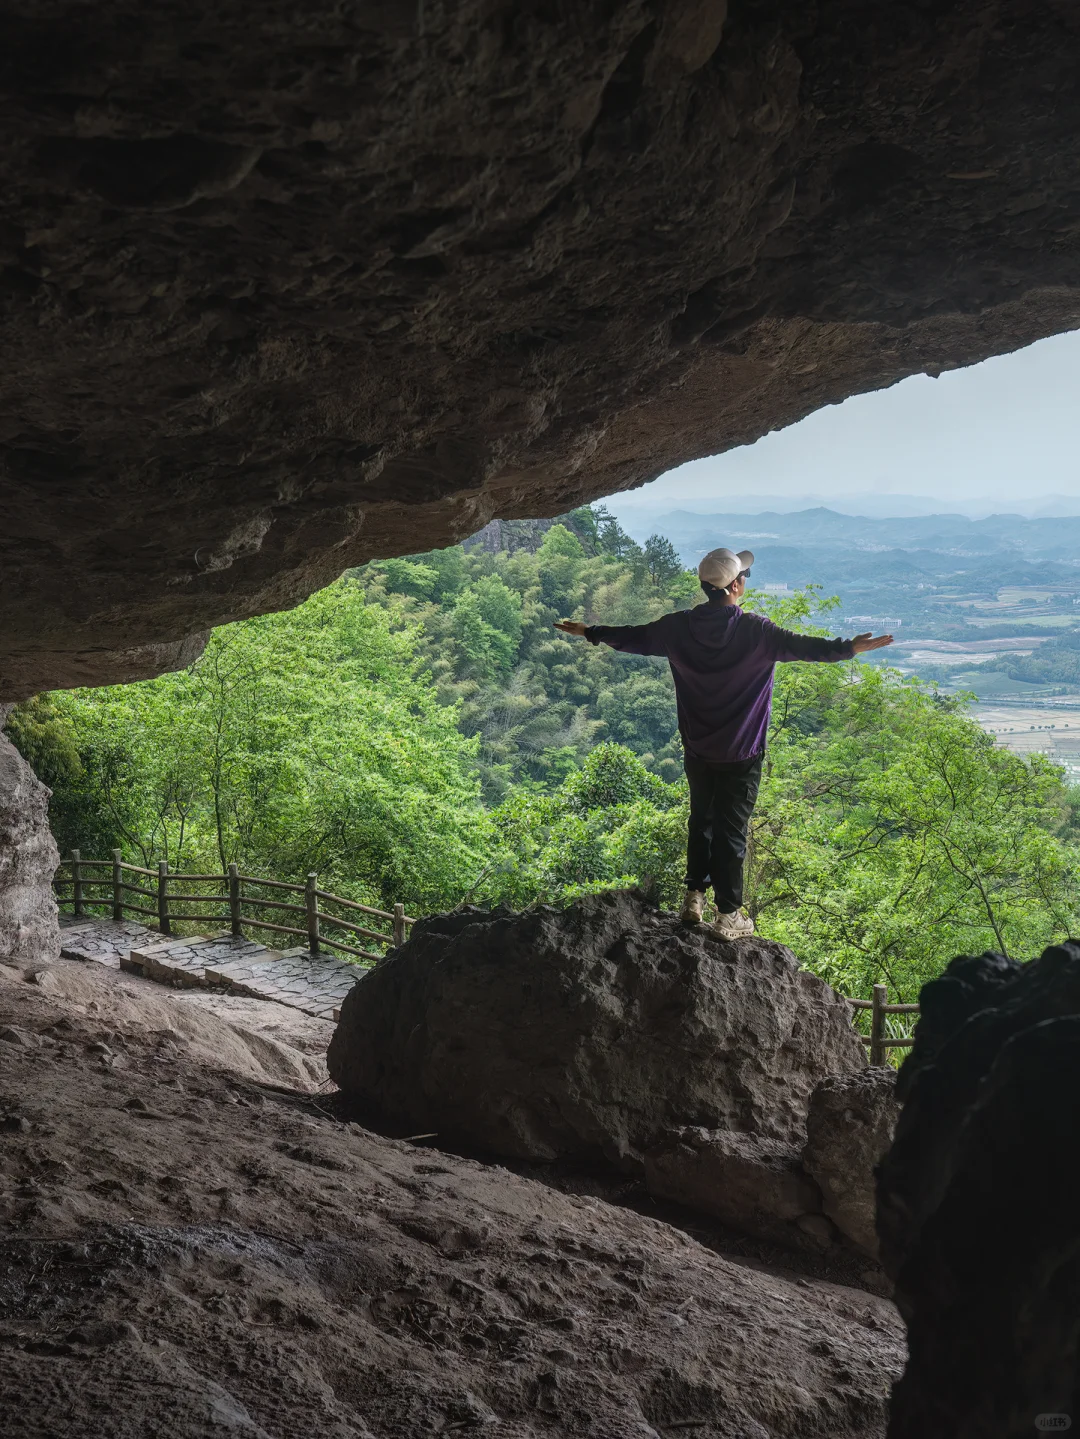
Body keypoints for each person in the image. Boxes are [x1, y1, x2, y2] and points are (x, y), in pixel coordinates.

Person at [555, 546, 893, 939]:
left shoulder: (677, 627)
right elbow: (806, 647)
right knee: (732, 831)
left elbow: (634, 637)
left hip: (698, 748)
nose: (745, 582)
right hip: (742, 752)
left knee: (702, 819)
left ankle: (693, 897)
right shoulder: (757, 632)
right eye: (744, 577)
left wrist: (590, 632)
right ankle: (728, 915)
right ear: (734, 586)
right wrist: (848, 648)